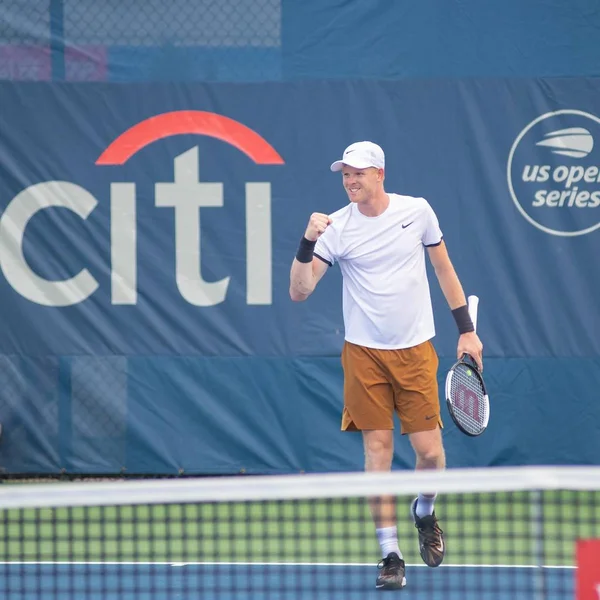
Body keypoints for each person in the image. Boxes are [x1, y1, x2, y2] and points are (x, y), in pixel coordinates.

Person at [289, 141, 483, 590]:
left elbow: (445, 269)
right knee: (377, 453)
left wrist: (467, 330)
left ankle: (424, 510)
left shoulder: (417, 212)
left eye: (358, 173)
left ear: (380, 173)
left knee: (430, 454)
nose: (350, 181)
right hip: (363, 356)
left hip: (416, 350)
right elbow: (299, 292)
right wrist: (306, 242)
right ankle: (390, 554)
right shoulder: (336, 228)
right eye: (345, 174)